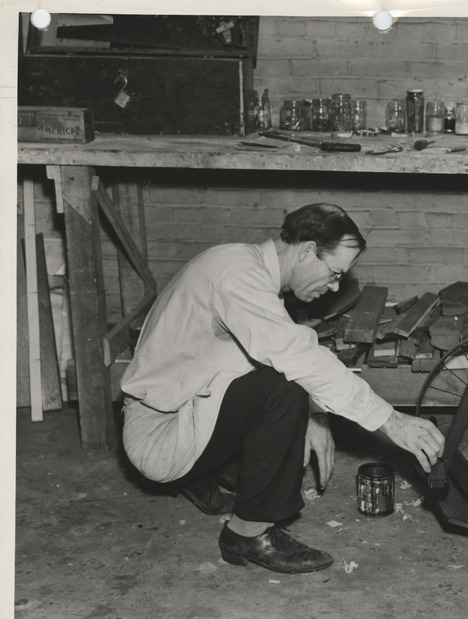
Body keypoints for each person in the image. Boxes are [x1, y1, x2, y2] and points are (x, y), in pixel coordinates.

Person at [121, 203, 445, 574]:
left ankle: (202, 478)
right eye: (334, 273)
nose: (334, 286)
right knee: (282, 388)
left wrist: (314, 415)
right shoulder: (239, 278)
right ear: (307, 250)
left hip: (178, 409)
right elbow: (297, 359)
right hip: (160, 436)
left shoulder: (245, 266)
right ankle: (248, 533)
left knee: (287, 386)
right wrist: (391, 421)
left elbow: (270, 353)